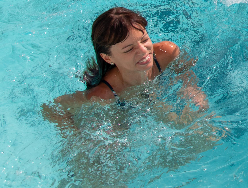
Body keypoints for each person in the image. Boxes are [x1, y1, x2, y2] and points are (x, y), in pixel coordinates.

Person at [43, 7, 206, 126]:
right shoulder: (104, 94)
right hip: (123, 108)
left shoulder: (167, 53)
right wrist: (73, 137)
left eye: (144, 40)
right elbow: (54, 106)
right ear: (108, 57)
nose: (144, 51)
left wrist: (190, 86)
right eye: (129, 49)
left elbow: (184, 68)